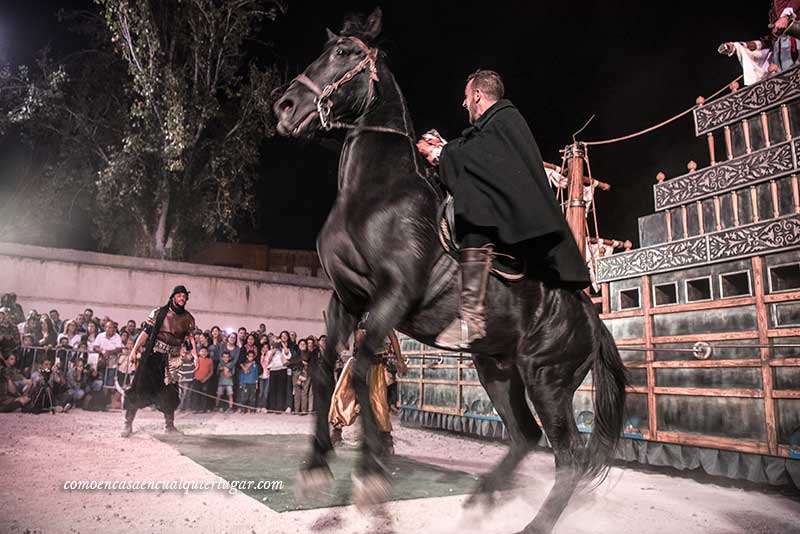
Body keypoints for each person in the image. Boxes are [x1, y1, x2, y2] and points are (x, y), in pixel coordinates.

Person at [416, 69, 590, 349]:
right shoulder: (492, 127)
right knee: (474, 205)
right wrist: (446, 150)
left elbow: (483, 161)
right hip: (507, 206)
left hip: (515, 212)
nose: (463, 104)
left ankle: (471, 317)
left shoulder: (506, 119)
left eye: (465, 97)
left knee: (475, 215)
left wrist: (441, 153)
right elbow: (476, 155)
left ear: (476, 95)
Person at [121, 285, 197, 437]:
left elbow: (189, 339)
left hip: (172, 359)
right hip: (153, 356)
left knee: (170, 393)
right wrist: (135, 350)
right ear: (173, 297)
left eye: (184, 296)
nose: (182, 298)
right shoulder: (159, 312)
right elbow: (146, 332)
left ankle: (169, 426)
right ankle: (128, 423)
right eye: (179, 295)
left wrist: (195, 355)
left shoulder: (188, 318)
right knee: (138, 389)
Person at [329, 326, 406, 455]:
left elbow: (392, 336)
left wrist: (399, 360)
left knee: (378, 400)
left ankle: (386, 438)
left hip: (375, 365)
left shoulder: (381, 316)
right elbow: (352, 339)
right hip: (357, 362)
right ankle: (336, 430)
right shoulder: (357, 316)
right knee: (341, 393)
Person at [191, 346, 213, 413]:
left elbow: (211, 371)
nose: (204, 353)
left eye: (205, 351)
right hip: (196, 379)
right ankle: (196, 408)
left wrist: (206, 378)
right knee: (196, 394)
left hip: (205, 380)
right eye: (202, 351)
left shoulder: (210, 360)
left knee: (204, 394)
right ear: (199, 352)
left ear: (207, 353)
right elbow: (192, 369)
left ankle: (203, 408)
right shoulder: (196, 360)